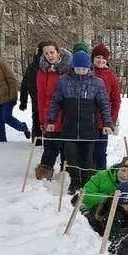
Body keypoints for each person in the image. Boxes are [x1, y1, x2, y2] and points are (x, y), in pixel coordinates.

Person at [46, 49, 113, 192]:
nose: (81, 71)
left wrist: (107, 123)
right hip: (69, 128)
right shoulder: (64, 81)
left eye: (84, 68)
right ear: (73, 67)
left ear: (89, 68)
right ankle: (75, 181)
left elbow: (104, 104)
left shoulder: (97, 83)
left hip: (89, 128)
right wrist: (51, 121)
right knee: (71, 158)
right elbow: (55, 102)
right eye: (78, 68)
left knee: (88, 158)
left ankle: (88, 183)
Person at [34, 42, 72, 180]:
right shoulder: (42, 72)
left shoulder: (69, 69)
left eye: (52, 52)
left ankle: (66, 174)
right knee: (50, 146)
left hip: (67, 112)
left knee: (66, 148)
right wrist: (42, 119)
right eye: (46, 53)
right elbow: (40, 97)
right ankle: (44, 173)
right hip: (50, 113)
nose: (49, 56)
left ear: (58, 52)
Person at [91, 43, 122, 170]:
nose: (101, 60)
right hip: (87, 120)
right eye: (98, 57)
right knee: (87, 151)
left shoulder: (111, 76)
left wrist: (111, 121)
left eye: (104, 58)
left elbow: (116, 101)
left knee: (100, 151)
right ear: (93, 58)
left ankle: (100, 176)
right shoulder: (87, 72)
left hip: (103, 122)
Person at [19, 41, 52, 147]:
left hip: (48, 100)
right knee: (37, 119)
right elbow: (24, 85)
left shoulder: (52, 67)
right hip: (36, 99)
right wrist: (23, 101)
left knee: (45, 119)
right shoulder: (33, 67)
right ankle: (38, 141)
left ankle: (45, 141)